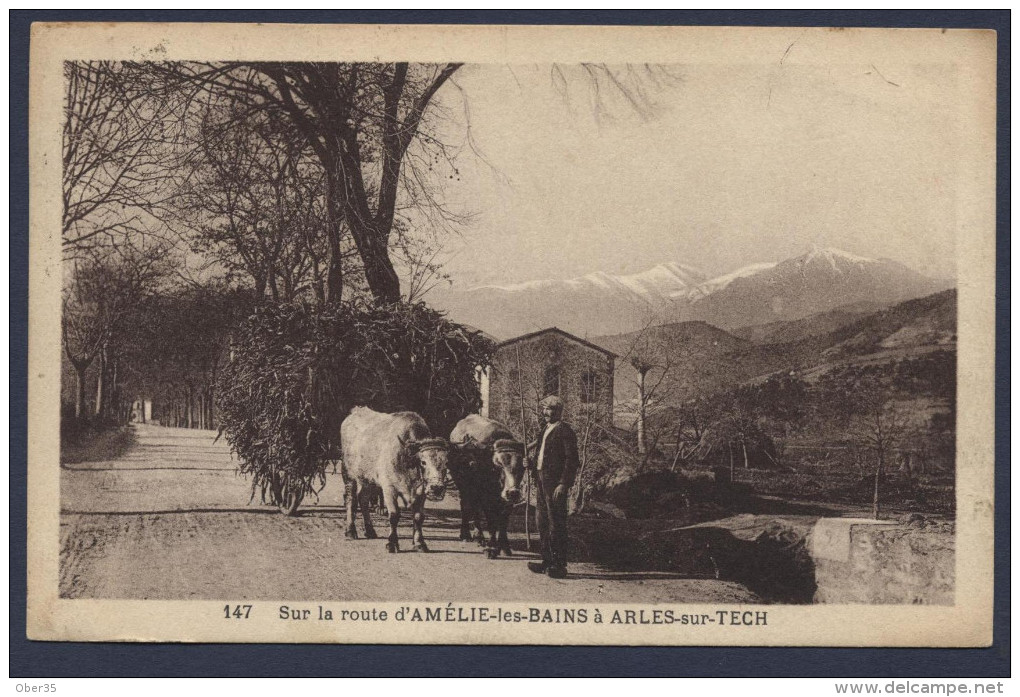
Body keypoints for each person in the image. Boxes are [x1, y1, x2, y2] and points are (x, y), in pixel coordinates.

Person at [526, 395, 579, 579]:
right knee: (542, 522)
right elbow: (541, 456)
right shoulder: (545, 430)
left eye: (549, 409)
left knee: (556, 523)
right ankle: (546, 561)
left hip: (554, 483)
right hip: (541, 480)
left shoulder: (565, 431)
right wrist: (530, 464)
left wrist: (564, 483)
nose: (545, 413)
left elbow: (572, 460)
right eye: (544, 409)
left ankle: (559, 564)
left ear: (558, 411)